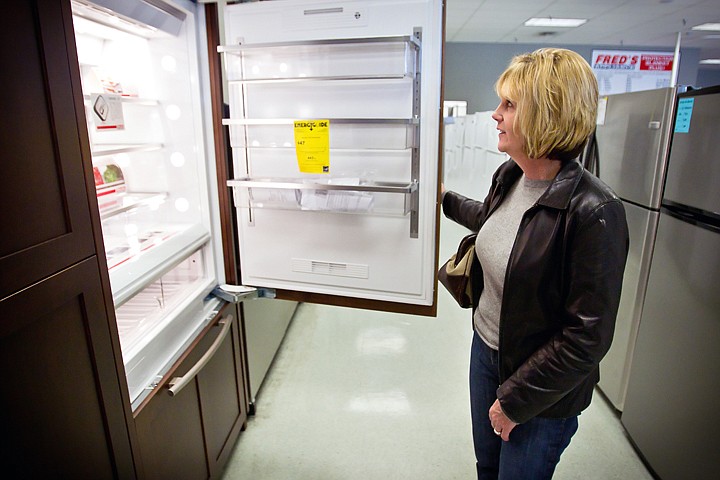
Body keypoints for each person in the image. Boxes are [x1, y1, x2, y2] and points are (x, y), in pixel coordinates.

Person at [441, 48, 629, 479]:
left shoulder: (594, 212)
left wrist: (515, 401)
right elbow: (497, 226)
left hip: (542, 386)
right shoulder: (511, 176)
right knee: (488, 467)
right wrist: (444, 198)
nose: (495, 114)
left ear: (547, 115)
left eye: (509, 105)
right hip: (485, 352)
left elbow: (587, 336)